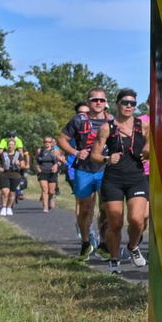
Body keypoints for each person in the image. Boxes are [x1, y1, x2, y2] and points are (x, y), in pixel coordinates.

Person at [91, 88, 150, 270]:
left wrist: (147, 150)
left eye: (132, 103)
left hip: (137, 178)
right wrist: (107, 159)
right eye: (125, 103)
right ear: (117, 104)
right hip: (113, 180)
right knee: (115, 222)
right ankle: (114, 259)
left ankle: (132, 247)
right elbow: (95, 155)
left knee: (137, 219)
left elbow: (150, 142)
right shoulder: (106, 127)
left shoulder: (142, 125)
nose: (129, 106)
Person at [59, 90, 112, 255]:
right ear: (88, 103)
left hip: (105, 169)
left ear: (106, 102)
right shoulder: (79, 120)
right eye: (94, 100)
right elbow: (61, 139)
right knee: (85, 209)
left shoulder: (112, 121)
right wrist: (75, 152)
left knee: (106, 208)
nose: (98, 103)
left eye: (101, 100)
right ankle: (85, 242)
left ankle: (103, 242)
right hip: (84, 170)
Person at [0, 136, 28, 215]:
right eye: (9, 144)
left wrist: (19, 164)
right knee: (5, 191)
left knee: (12, 193)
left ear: (15, 146)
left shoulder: (19, 154)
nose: (10, 146)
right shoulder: (3, 154)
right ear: (7, 145)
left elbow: (23, 165)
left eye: (12, 145)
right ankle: (3, 207)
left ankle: (9, 207)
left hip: (15, 175)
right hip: (4, 174)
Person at [35, 135, 61, 212]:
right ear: (43, 142)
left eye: (49, 142)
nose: (47, 143)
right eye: (45, 142)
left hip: (52, 172)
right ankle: (45, 207)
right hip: (42, 171)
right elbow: (36, 161)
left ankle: (50, 200)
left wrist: (56, 165)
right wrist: (37, 167)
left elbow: (60, 161)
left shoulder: (55, 151)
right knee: (44, 190)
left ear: (51, 143)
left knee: (51, 191)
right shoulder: (39, 151)